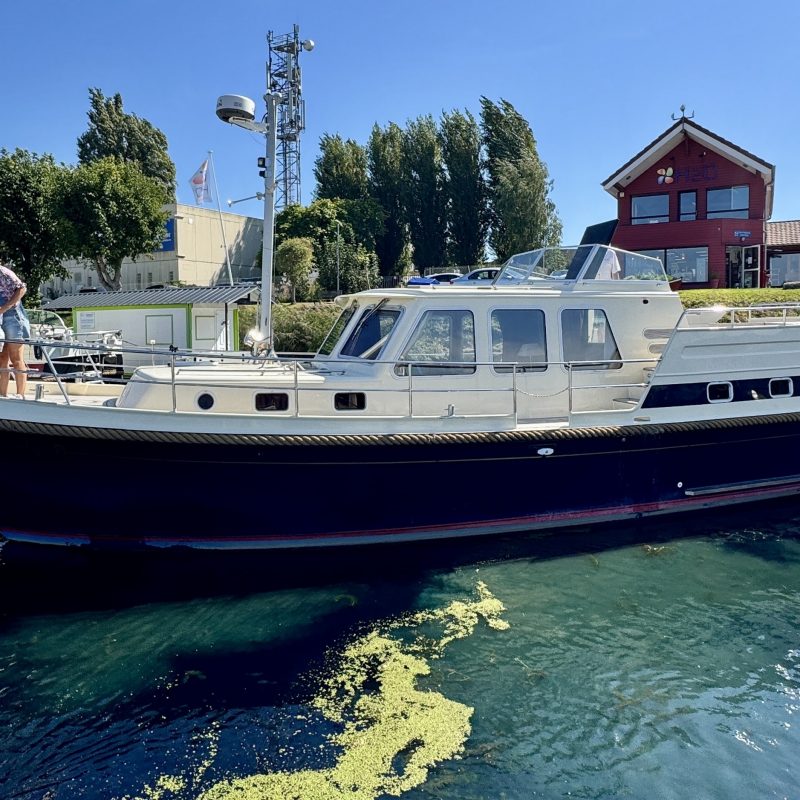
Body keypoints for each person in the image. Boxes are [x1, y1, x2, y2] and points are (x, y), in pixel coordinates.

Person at [0, 263, 31, 398]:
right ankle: (3, 394)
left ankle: (20, 395)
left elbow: (21, 288)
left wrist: (5, 307)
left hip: (12, 315)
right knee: (2, 358)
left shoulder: (4, 272)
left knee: (16, 357)